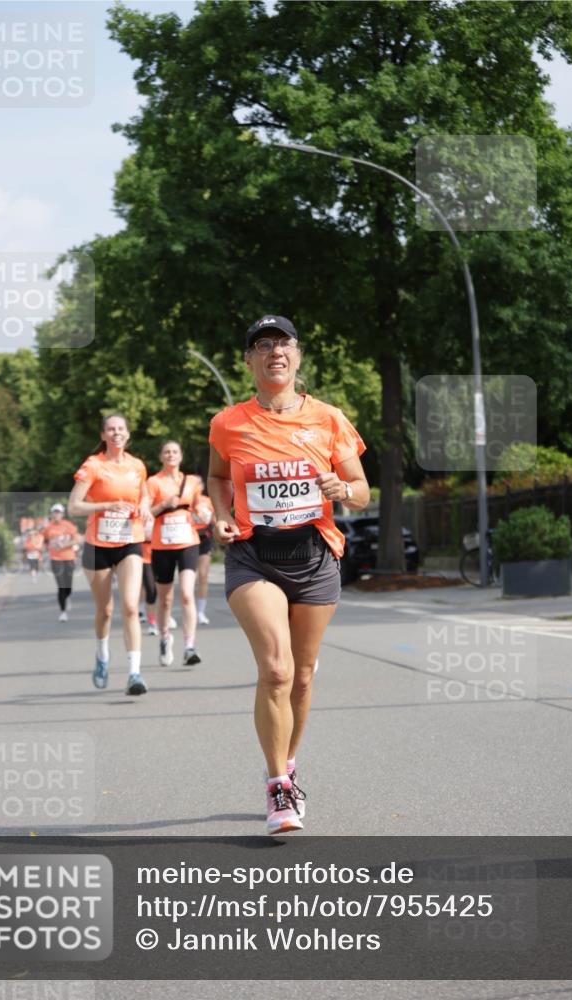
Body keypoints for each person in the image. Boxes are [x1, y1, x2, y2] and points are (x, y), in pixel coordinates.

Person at [208, 315, 369, 835]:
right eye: (262, 345)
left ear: (297, 356)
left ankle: (287, 761)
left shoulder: (328, 419)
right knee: (275, 669)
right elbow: (215, 475)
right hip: (254, 555)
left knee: (302, 675)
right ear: (250, 360)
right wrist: (221, 512)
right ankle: (279, 786)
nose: (274, 351)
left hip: (316, 555)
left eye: (283, 343)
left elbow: (362, 489)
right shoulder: (228, 423)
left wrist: (343, 491)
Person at [67, 413, 151, 696]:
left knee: (130, 606)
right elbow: (74, 507)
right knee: (105, 610)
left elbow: (145, 495)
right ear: (103, 435)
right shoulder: (93, 466)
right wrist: (106, 506)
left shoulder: (137, 466)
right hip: (97, 546)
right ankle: (102, 654)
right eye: (111, 429)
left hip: (130, 541)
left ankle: (134, 673)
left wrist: (146, 509)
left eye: (121, 429)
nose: (117, 433)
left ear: (127, 435)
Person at [147, 441, 212, 667]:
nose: (171, 455)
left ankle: (189, 646)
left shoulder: (192, 481)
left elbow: (198, 504)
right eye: (167, 451)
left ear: (181, 456)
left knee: (186, 594)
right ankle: (165, 637)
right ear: (161, 456)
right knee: (165, 599)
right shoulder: (153, 482)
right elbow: (146, 513)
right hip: (162, 545)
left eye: (175, 451)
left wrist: (203, 511)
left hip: (187, 542)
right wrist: (164, 504)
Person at [42, 503, 81, 622]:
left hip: (69, 557)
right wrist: (47, 548)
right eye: (54, 512)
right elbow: (45, 541)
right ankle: (63, 612)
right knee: (61, 585)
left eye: (58, 512)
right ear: (51, 514)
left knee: (68, 586)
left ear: (62, 514)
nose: (56, 514)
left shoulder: (69, 526)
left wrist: (64, 544)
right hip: (55, 559)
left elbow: (76, 540)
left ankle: (67, 596)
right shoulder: (48, 528)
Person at [195, 494, 215, 625]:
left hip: (204, 537)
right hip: (187, 536)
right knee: (188, 578)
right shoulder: (185, 499)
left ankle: (200, 612)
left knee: (203, 576)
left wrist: (211, 520)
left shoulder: (208, 500)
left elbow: (215, 518)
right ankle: (190, 608)